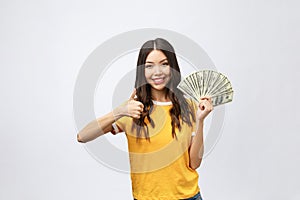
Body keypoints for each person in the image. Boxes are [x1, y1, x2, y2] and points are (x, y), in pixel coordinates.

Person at [77, 38, 213, 200]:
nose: (157, 72)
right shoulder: (132, 109)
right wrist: (119, 112)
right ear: (142, 70)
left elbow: (194, 164)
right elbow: (82, 136)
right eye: (149, 66)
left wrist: (201, 120)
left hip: (188, 196)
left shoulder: (189, 106)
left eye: (164, 64)